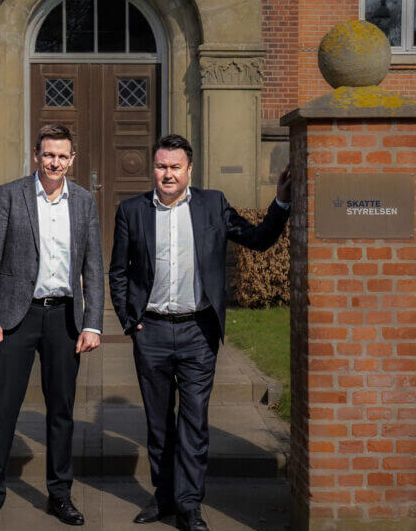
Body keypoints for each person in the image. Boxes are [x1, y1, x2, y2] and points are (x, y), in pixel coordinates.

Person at [108, 134, 290, 531]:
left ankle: (189, 506)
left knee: (193, 423)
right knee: (159, 425)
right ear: (153, 168)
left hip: (198, 332)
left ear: (189, 169)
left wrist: (281, 202)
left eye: (175, 167)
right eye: (161, 166)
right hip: (151, 330)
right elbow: (118, 272)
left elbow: (258, 240)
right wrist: (129, 320)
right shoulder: (131, 210)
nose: (167, 174)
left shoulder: (212, 205)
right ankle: (164, 498)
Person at [0, 123, 104, 531]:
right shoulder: (10, 195)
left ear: (72, 159)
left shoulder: (83, 202)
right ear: (35, 155)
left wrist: (92, 322)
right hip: (16, 317)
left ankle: (60, 496)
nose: (55, 163)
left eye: (62, 156)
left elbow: (93, 267)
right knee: (2, 412)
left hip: (64, 318)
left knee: (61, 412)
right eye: (48, 155)